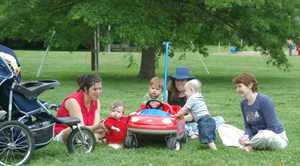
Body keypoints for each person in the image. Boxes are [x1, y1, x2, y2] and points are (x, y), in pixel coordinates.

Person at [233, 73, 288, 152]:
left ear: (250, 85)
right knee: (224, 128)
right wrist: (246, 135)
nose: (237, 90)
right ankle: (250, 144)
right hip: (256, 137)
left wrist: (251, 138)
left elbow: (272, 128)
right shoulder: (243, 104)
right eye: (236, 87)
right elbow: (247, 126)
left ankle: (249, 145)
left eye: (240, 86)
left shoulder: (264, 100)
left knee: (265, 135)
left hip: (275, 137)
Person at [54, 74, 106, 143]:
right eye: (95, 89)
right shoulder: (73, 101)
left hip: (86, 132)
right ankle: (92, 138)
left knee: (107, 129)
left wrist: (101, 127)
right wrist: (97, 127)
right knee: (74, 129)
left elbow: (95, 125)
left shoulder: (96, 101)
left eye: (100, 88)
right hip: (65, 133)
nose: (98, 92)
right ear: (85, 89)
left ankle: (91, 138)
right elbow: (81, 129)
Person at [175, 79, 217, 150]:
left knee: (206, 135)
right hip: (209, 119)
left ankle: (214, 149)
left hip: (204, 120)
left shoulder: (192, 99)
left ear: (191, 90)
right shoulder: (199, 97)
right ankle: (210, 143)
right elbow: (191, 116)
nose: (185, 93)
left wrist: (177, 115)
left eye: (186, 91)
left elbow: (185, 109)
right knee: (208, 133)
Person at [168, 67, 199, 139]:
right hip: (172, 121)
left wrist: (177, 119)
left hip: (189, 122)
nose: (179, 83)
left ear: (188, 82)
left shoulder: (192, 97)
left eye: (182, 80)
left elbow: (192, 117)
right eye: (177, 80)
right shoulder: (169, 94)